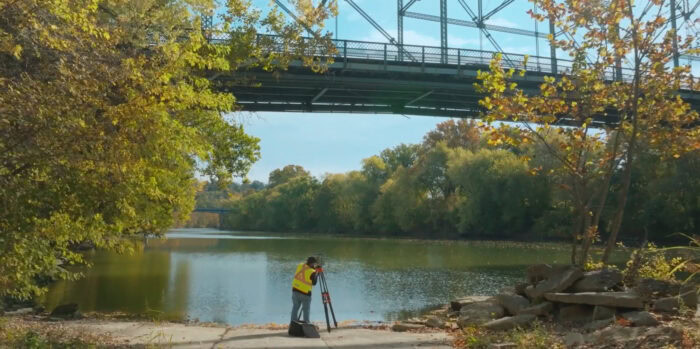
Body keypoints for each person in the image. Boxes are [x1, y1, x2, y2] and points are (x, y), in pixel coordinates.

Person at [290, 256, 319, 323]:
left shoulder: (300, 265)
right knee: (306, 310)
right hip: (305, 293)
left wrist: (314, 270)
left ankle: (293, 323)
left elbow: (306, 269)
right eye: (314, 264)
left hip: (295, 290)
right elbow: (314, 283)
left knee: (295, 308)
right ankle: (307, 324)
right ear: (312, 264)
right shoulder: (312, 272)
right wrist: (317, 273)